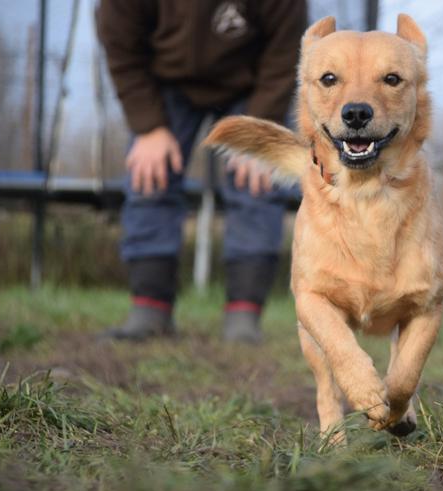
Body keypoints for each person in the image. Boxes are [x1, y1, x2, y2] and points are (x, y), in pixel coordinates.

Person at [96, 0, 306, 343]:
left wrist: (260, 127)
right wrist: (148, 128)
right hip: (163, 83)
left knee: (256, 181)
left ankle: (244, 317)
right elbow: (121, 47)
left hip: (251, 86)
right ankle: (150, 310)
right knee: (150, 174)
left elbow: (284, 55)